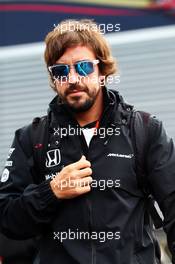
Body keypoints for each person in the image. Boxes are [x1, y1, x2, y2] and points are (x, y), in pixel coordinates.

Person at [0, 19, 175, 264]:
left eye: (83, 67)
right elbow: (7, 219)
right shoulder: (32, 139)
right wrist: (51, 192)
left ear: (102, 71)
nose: (72, 79)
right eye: (60, 71)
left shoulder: (144, 130)